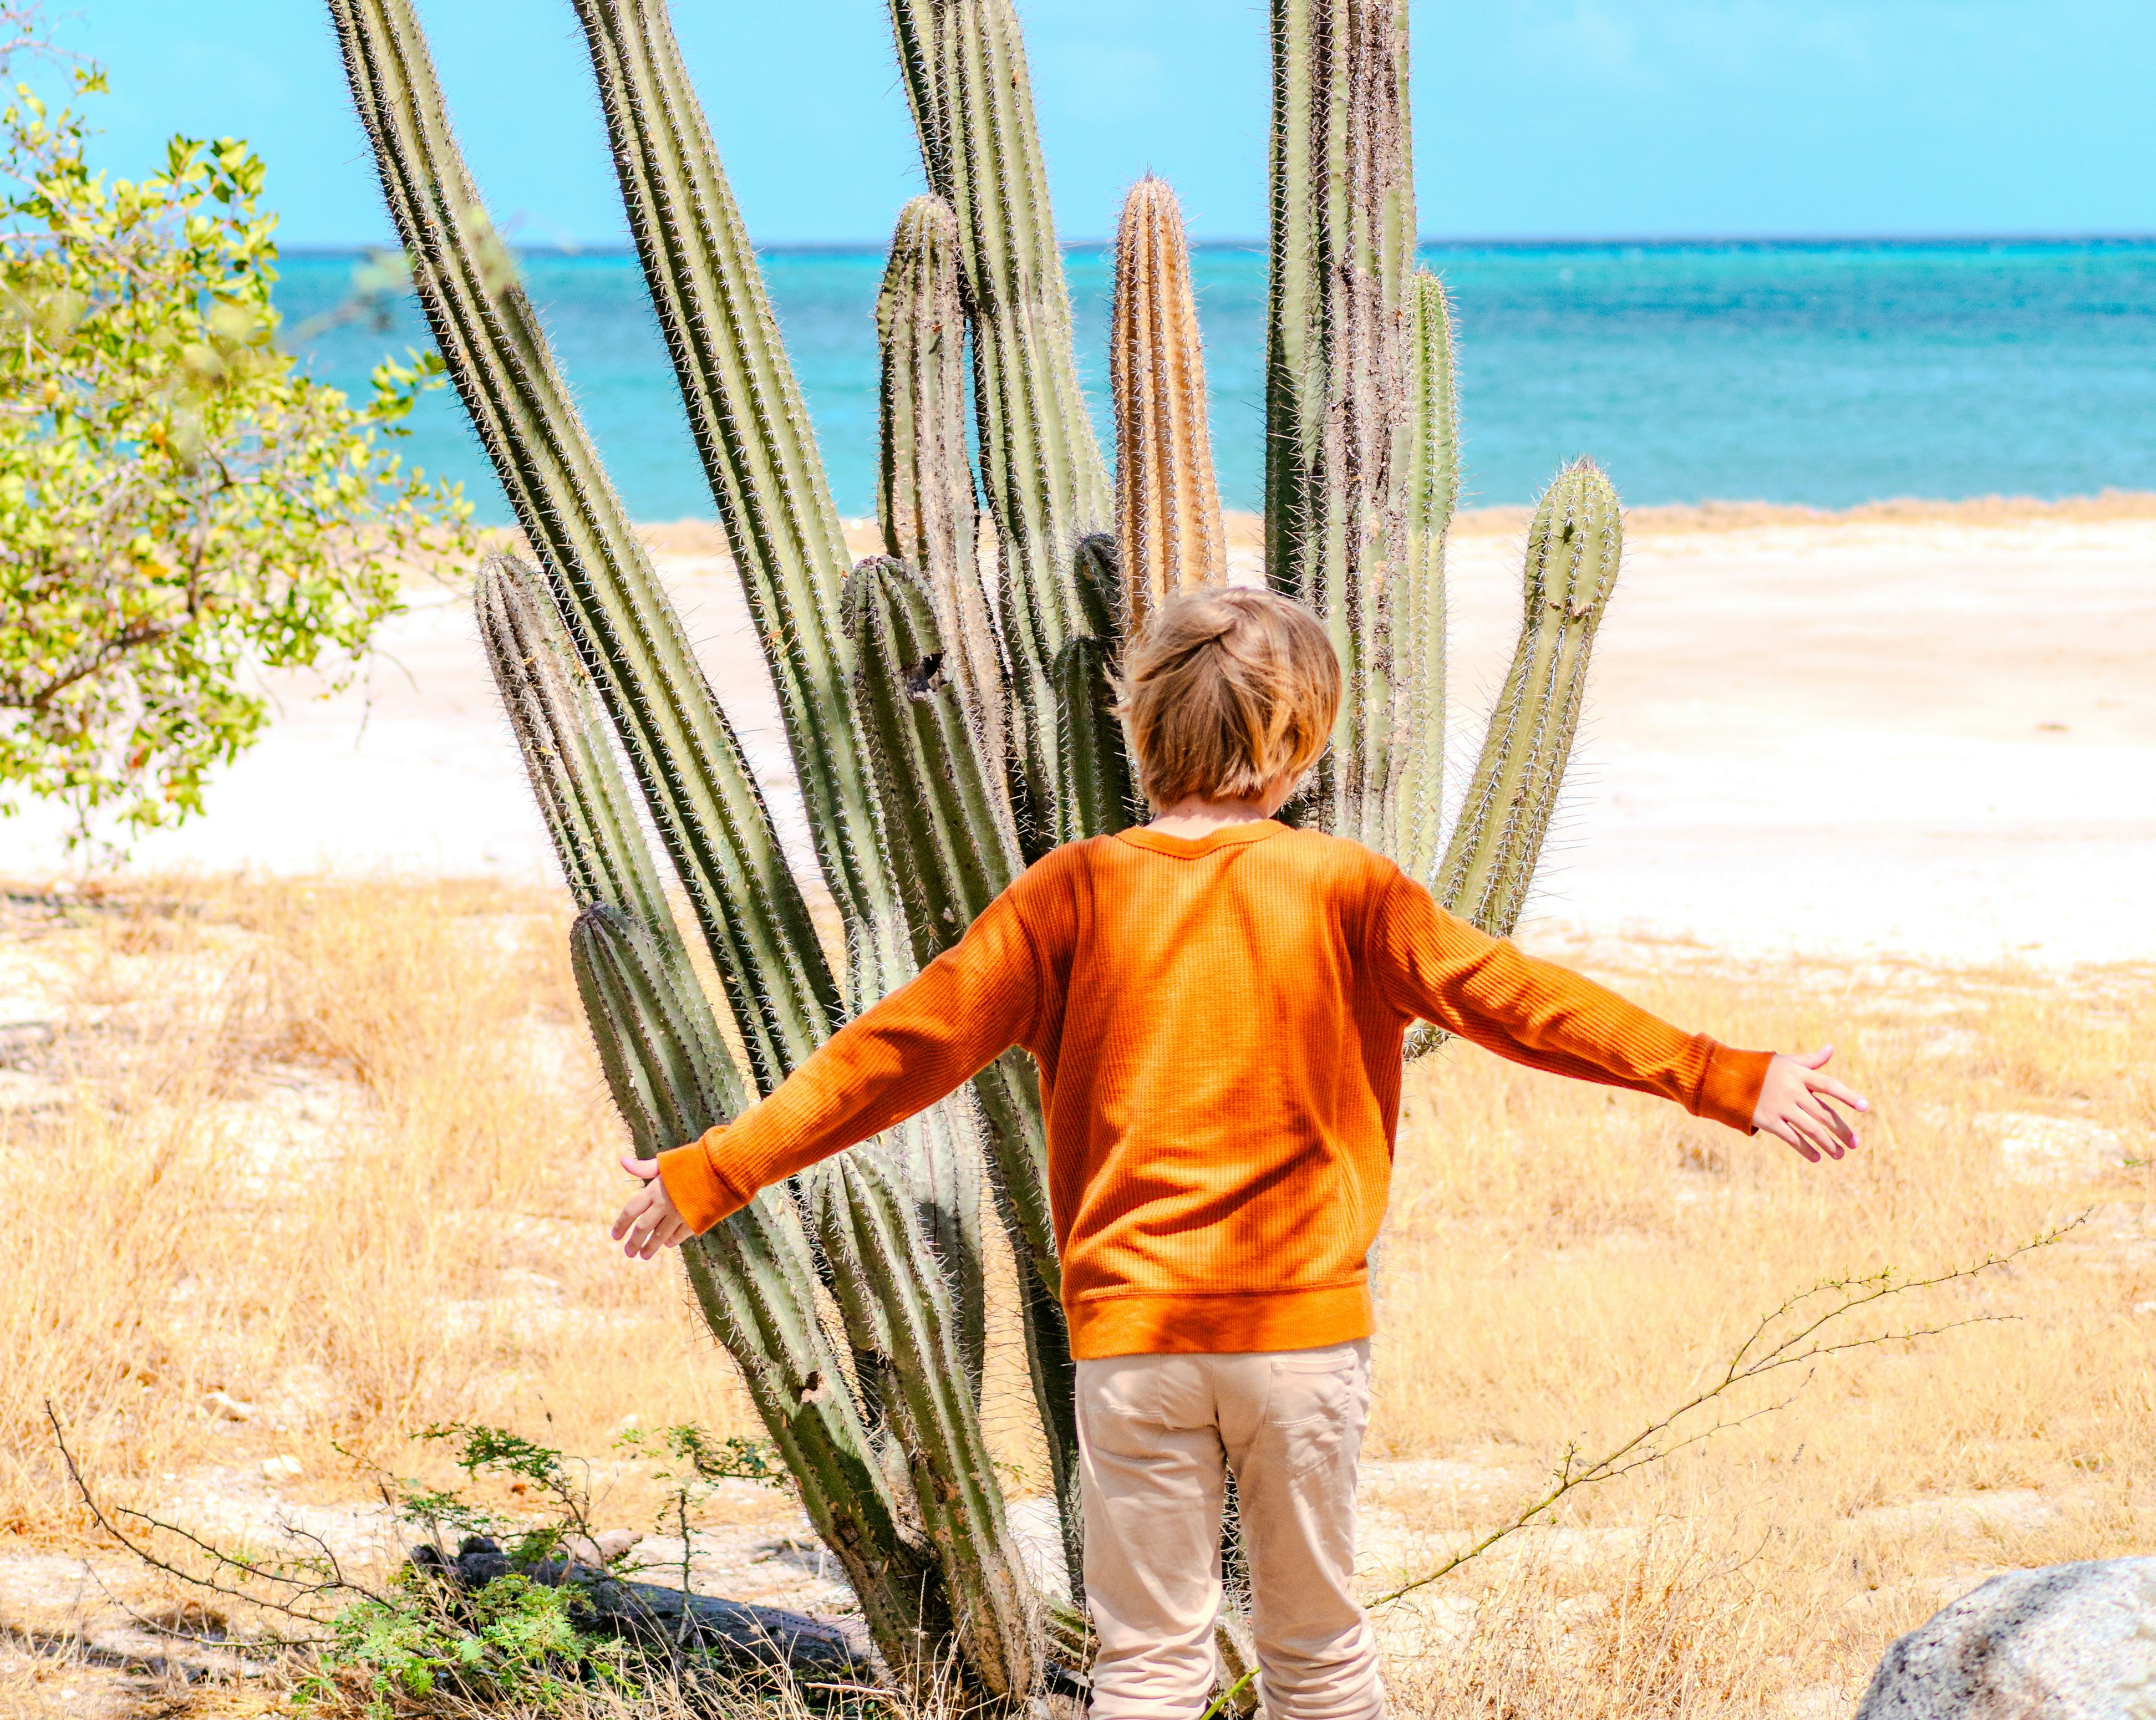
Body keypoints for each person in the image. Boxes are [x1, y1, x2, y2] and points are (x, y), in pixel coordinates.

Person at [612, 586, 1865, 1720]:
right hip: (1296, 1347)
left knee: (1148, 1667)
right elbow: (1527, 1003)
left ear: (1140, 731)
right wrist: (1728, 1080)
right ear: (1300, 741)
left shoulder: (1075, 891)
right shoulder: (1348, 890)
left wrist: (709, 1171)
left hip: (1132, 1349)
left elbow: (896, 1052)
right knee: (1318, 1661)